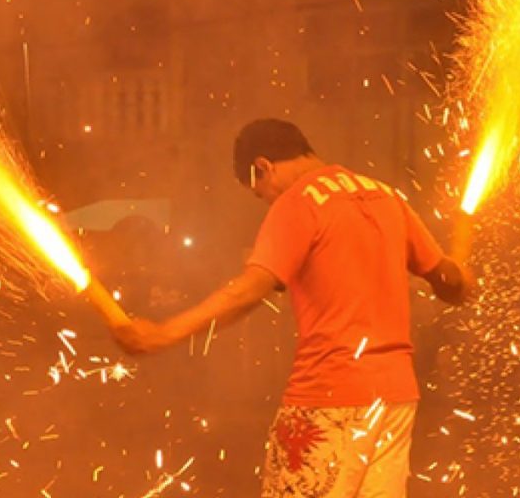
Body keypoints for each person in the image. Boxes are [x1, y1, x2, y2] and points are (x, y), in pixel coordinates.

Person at [109, 119, 475, 498]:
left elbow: (249, 291)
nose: (266, 201)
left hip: (329, 398)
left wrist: (163, 333)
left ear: (263, 167)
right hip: (395, 399)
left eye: (260, 192)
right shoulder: (385, 196)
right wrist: (461, 274)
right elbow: (450, 284)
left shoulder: (297, 204)